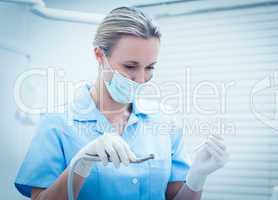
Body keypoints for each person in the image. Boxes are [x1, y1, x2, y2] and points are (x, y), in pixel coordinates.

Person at [14, 6, 229, 200]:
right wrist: (80, 165)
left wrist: (197, 178)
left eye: (150, 67)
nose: (141, 78)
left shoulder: (165, 122)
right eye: (130, 66)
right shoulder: (57, 123)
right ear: (100, 56)